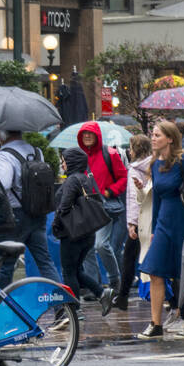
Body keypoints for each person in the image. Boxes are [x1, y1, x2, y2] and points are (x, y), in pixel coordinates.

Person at [135, 122, 184, 339]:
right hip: (164, 223)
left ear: (170, 139)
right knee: (155, 271)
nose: (153, 138)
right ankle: (155, 324)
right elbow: (156, 197)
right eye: (152, 135)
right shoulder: (155, 164)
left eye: (157, 135)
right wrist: (154, 227)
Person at [0, 130, 61, 287]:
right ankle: (62, 305)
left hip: (14, 216)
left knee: (6, 266)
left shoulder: (5, 155)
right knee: (45, 262)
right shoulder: (36, 151)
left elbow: (4, 185)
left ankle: (0, 307)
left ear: (3, 134)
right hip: (38, 213)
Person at [54, 147, 114, 315]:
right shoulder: (87, 177)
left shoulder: (72, 180)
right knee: (77, 270)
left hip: (72, 233)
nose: (62, 164)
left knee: (69, 272)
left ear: (72, 161)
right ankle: (102, 293)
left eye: (64, 160)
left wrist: (56, 225)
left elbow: (64, 207)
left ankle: (74, 311)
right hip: (88, 233)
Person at [77, 122, 127, 293]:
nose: (87, 137)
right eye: (84, 134)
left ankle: (114, 279)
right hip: (86, 208)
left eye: (90, 134)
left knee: (100, 245)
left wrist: (110, 191)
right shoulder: (80, 156)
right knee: (88, 248)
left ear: (97, 135)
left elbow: (123, 178)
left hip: (105, 207)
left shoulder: (110, 154)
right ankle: (95, 287)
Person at [118, 133, 153, 312]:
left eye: (131, 148)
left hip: (140, 220)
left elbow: (133, 198)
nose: (129, 152)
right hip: (154, 217)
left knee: (129, 258)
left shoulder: (134, 169)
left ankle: (123, 296)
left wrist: (132, 223)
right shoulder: (155, 164)